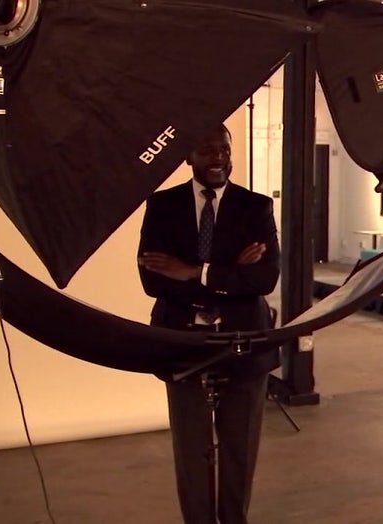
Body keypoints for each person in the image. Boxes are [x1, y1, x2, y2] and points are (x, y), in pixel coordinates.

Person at [138, 124, 280, 524]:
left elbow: (265, 278)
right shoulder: (162, 205)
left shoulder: (256, 207)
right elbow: (153, 280)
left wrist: (193, 272)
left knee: (240, 446)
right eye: (207, 149)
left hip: (245, 342)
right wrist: (231, 273)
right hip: (181, 341)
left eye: (224, 150)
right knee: (190, 448)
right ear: (188, 156)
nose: (218, 157)